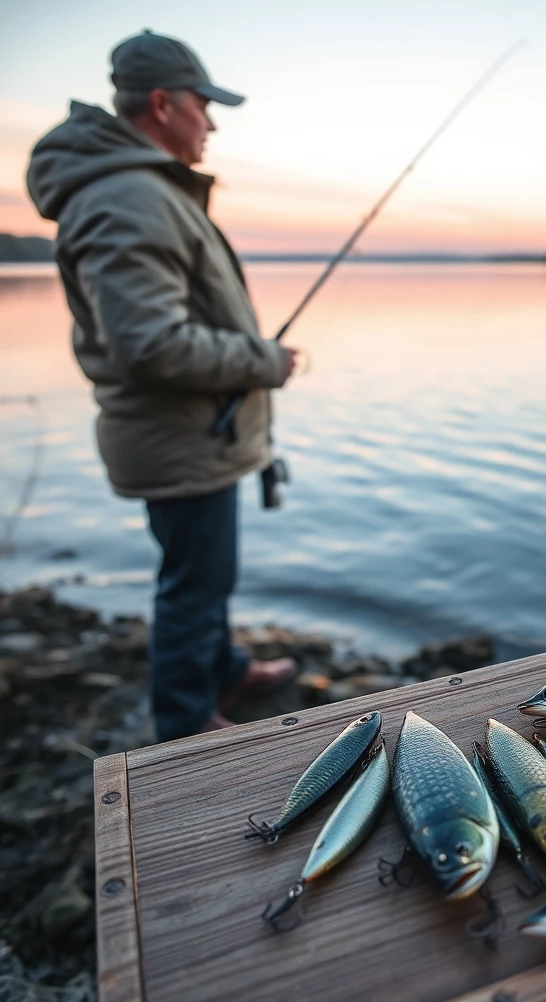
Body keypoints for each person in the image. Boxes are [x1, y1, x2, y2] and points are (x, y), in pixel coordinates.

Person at [26, 31, 298, 742]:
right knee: (193, 583)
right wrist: (262, 361)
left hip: (193, 437)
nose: (211, 121)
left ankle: (225, 670)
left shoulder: (143, 190)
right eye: (204, 105)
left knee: (207, 572)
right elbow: (151, 346)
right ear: (162, 102)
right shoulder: (130, 198)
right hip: (178, 439)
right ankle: (182, 724)